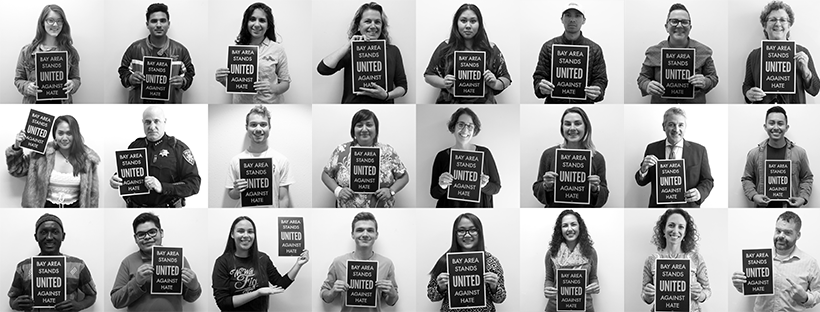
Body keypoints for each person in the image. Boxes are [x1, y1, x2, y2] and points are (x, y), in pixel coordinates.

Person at [109, 106, 201, 207]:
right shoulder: (135, 146)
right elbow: (126, 173)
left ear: (165, 121)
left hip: (167, 210)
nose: (152, 127)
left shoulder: (178, 148)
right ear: (143, 123)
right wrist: (115, 179)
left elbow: (194, 184)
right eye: (147, 122)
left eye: (156, 121)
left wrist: (162, 187)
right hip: (134, 208)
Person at [317, 2, 408, 103]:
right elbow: (323, 69)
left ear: (382, 26)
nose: (373, 26)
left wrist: (387, 95)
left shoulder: (393, 51)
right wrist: (349, 45)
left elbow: (403, 86)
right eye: (368, 21)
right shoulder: (351, 50)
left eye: (377, 22)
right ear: (358, 26)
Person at [213, 216, 309, 311]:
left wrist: (298, 264)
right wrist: (257, 293)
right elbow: (223, 303)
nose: (246, 235)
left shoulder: (263, 258)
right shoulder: (222, 262)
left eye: (250, 231)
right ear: (232, 234)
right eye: (241, 231)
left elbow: (280, 285)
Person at [110, 212, 202, 311]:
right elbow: (116, 301)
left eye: (152, 232)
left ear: (161, 233)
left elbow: (190, 298)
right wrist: (136, 282)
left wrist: (194, 286)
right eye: (141, 234)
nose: (147, 237)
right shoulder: (128, 262)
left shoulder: (178, 258)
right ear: (135, 239)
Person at [731, 211, 820, 311]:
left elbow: (818, 292)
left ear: (798, 235)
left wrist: (805, 298)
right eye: (778, 231)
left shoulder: (810, 263)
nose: (781, 236)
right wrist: (740, 285)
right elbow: (751, 288)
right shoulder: (758, 258)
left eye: (787, 232)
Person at [423, 3, 512, 104]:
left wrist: (495, 83)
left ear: (479, 24)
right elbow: (428, 76)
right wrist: (444, 83)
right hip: (449, 103)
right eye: (463, 21)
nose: (468, 26)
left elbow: (506, 78)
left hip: (484, 104)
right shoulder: (445, 47)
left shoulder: (491, 49)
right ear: (456, 23)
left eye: (473, 21)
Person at [8, 213, 97, 311]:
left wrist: (80, 305)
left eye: (55, 232)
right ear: (36, 237)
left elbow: (92, 295)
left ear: (63, 236)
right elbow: (13, 297)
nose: (49, 237)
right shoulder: (24, 267)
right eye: (43, 232)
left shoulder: (78, 265)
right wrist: (15, 304)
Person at [6, 115, 100, 208]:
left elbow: (93, 196)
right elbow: (16, 170)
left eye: (69, 133)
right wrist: (16, 147)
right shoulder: (41, 156)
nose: (64, 138)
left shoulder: (88, 159)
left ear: (75, 134)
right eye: (60, 133)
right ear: (55, 134)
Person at [321, 109, 409, 208]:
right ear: (353, 129)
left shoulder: (388, 152)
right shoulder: (341, 151)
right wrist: (338, 190)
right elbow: (326, 174)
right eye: (359, 125)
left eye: (369, 125)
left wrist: (391, 191)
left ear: (376, 129)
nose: (364, 129)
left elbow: (404, 177)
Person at [637, 3, 718, 104]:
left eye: (684, 22)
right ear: (666, 27)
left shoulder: (704, 52)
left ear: (690, 27)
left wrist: (706, 82)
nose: (679, 26)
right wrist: (647, 85)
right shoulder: (653, 52)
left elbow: (713, 78)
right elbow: (642, 78)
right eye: (674, 21)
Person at [742, 1, 820, 104]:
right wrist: (748, 93)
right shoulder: (754, 55)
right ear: (765, 25)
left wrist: (806, 71)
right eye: (773, 19)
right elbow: (747, 85)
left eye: (783, 20)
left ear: (789, 25)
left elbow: (815, 90)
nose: (778, 23)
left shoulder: (802, 52)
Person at [635, 107, 713, 207]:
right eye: (671, 125)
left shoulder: (699, 151)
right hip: (658, 208)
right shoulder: (652, 149)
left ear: (685, 127)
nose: (676, 130)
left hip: (688, 208)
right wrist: (643, 170)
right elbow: (641, 182)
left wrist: (699, 193)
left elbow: (708, 180)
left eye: (680, 125)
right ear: (664, 127)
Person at [117, 3, 195, 104]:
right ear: (147, 24)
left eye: (163, 21)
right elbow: (123, 71)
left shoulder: (181, 50)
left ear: (168, 24)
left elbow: (190, 73)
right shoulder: (134, 48)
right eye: (154, 21)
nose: (158, 25)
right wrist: (130, 78)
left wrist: (183, 81)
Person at [320, 212, 398, 311]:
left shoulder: (386, 264)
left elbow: (391, 301)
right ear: (353, 234)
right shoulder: (338, 262)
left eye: (370, 230)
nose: (365, 234)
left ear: (376, 235)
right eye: (360, 230)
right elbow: (324, 295)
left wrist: (392, 294)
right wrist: (332, 292)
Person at [428, 213, 506, 311]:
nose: (467, 235)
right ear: (455, 234)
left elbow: (500, 298)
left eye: (473, 230)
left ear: (480, 233)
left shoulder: (491, 261)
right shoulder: (445, 261)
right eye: (461, 230)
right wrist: (441, 287)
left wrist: (494, 287)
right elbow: (432, 296)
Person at [215, 3, 291, 103]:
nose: (256, 24)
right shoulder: (237, 50)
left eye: (262, 20)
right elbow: (237, 84)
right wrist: (223, 79)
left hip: (269, 103)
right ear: (246, 22)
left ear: (268, 25)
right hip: (242, 104)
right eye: (252, 19)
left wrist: (274, 88)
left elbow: (285, 82)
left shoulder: (277, 49)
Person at [532, 107, 608, 207]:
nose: (572, 128)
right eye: (567, 124)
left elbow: (604, 195)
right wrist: (546, 186)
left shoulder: (597, 158)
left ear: (586, 127)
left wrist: (596, 189)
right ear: (562, 128)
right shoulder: (549, 154)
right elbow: (537, 188)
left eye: (577, 123)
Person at [533, 2, 608, 104]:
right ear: (562, 19)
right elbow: (539, 76)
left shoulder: (594, 49)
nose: (572, 20)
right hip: (554, 103)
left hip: (585, 104)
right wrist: (540, 88)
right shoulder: (548, 47)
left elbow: (601, 79)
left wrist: (598, 91)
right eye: (568, 15)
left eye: (577, 16)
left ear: (584, 20)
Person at [741, 106, 813, 207]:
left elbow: (807, 178)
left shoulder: (800, 153)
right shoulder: (754, 154)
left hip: (789, 208)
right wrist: (754, 196)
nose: (775, 127)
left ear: (786, 127)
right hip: (762, 211)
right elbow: (747, 179)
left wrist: (802, 198)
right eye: (771, 123)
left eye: (780, 123)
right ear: (765, 126)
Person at [641, 209, 710, 312]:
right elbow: (645, 295)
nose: (675, 231)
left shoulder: (696, 258)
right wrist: (648, 295)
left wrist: (699, 295)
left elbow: (707, 290)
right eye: (671, 225)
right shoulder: (651, 260)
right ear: (663, 229)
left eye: (681, 227)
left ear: (685, 232)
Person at [226, 105, 295, 207]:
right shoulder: (236, 160)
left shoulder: (281, 160)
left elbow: (283, 197)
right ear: (247, 128)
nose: (258, 129)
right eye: (253, 125)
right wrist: (236, 190)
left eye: (263, 124)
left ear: (269, 127)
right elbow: (232, 194)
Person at [430, 107, 501, 207]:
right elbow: (434, 193)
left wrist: (484, 185)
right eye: (461, 124)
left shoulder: (484, 153)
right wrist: (442, 186)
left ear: (474, 130)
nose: (465, 130)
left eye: (470, 126)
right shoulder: (442, 156)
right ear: (453, 127)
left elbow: (496, 188)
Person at [14, 4, 81, 104]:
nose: (55, 25)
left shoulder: (71, 52)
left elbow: (76, 79)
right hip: (35, 106)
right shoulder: (27, 51)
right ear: (42, 23)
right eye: (51, 20)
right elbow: (18, 80)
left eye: (59, 21)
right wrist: (27, 87)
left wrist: (73, 84)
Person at [544, 210, 599, 312]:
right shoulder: (552, 253)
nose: (569, 229)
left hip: (584, 306)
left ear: (579, 227)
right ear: (560, 229)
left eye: (573, 224)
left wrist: (595, 286)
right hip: (555, 306)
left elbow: (593, 278)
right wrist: (547, 289)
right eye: (565, 225)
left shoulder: (591, 252)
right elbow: (549, 279)